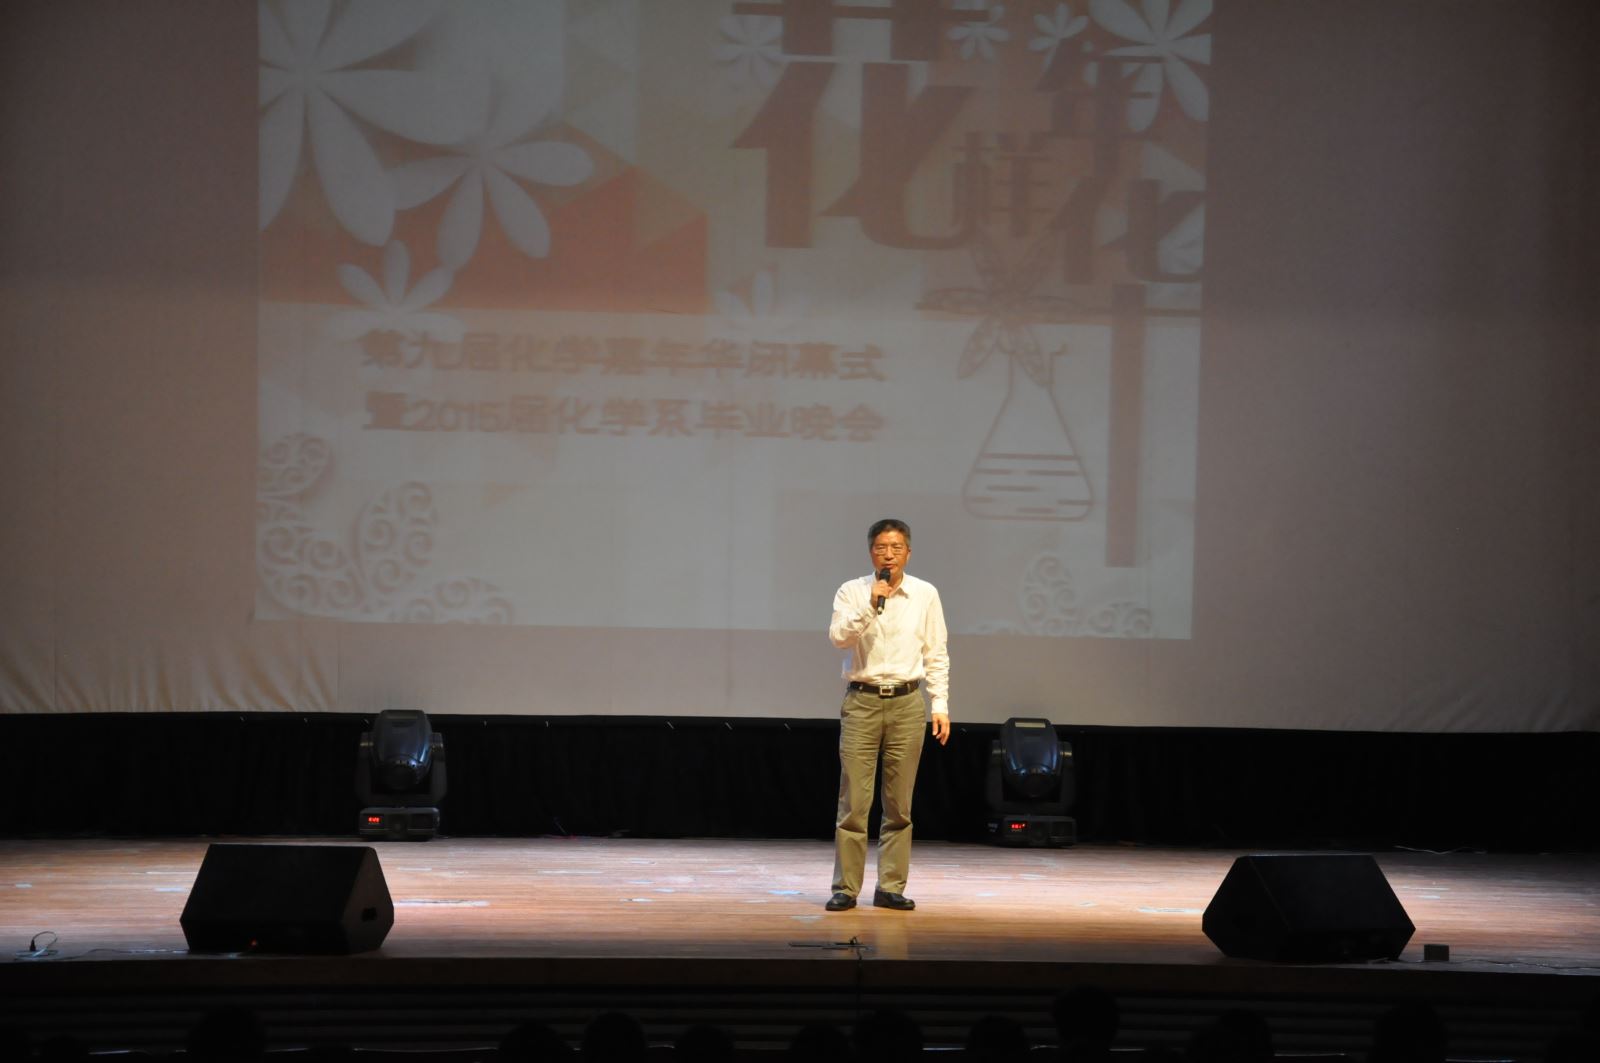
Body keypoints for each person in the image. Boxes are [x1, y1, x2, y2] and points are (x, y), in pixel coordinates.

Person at [825, 518, 950, 912]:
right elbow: (839, 638)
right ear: (871, 553)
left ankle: (890, 886)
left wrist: (940, 704)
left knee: (899, 805)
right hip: (862, 702)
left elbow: (936, 652)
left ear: (908, 553)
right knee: (854, 803)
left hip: (907, 702)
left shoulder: (925, 594)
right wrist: (870, 604)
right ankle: (846, 888)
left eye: (896, 548)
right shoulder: (852, 591)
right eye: (881, 548)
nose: (889, 555)